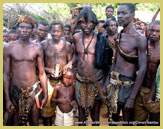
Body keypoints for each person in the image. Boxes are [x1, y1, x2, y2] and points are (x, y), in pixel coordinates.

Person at [66, 6, 112, 126]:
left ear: (94, 23)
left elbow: (108, 65)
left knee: (95, 113)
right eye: (83, 23)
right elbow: (77, 55)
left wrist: (105, 84)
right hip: (80, 80)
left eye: (89, 23)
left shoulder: (101, 39)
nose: (86, 26)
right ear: (79, 23)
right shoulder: (76, 38)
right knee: (81, 113)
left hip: (96, 80)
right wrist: (70, 62)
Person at [105, 3, 147, 125]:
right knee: (112, 120)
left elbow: (143, 68)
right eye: (118, 13)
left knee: (127, 121)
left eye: (124, 13)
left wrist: (132, 97)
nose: (119, 16)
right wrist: (107, 82)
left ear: (132, 15)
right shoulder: (120, 35)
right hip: (114, 83)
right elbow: (115, 61)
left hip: (128, 85)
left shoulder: (139, 38)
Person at [3, 15, 48, 126]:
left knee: (34, 122)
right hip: (15, 91)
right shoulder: (9, 47)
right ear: (18, 28)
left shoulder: (37, 48)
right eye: (22, 27)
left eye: (27, 28)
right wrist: (7, 99)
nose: (24, 30)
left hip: (33, 90)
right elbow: (6, 74)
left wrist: (46, 94)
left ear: (32, 30)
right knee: (16, 122)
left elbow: (42, 73)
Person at [41, 20, 73, 126]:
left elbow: (71, 62)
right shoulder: (43, 44)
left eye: (58, 31)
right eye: (53, 31)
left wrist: (65, 68)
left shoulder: (67, 45)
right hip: (48, 80)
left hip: (63, 82)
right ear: (50, 31)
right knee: (47, 107)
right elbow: (38, 64)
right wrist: (47, 69)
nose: (55, 33)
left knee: (63, 106)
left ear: (62, 31)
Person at [134, 20, 160, 125]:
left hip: (157, 93)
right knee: (138, 122)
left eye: (157, 31)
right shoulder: (143, 47)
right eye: (152, 30)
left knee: (155, 122)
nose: (154, 33)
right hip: (141, 89)